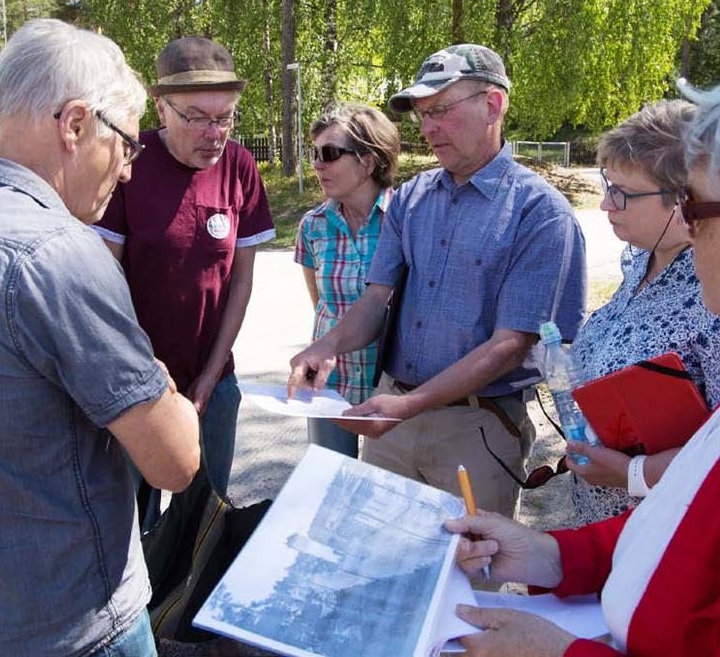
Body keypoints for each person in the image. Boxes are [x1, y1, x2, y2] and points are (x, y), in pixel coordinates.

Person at [448, 60, 720, 655]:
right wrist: (552, 553)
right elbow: (689, 519)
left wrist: (559, 653)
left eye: (697, 209)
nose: (689, 232)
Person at [0, 19, 200, 655]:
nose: (130, 170)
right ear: (76, 125)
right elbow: (176, 461)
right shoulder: (59, 253)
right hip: (80, 627)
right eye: (128, 144)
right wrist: (157, 382)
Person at [288, 44, 586, 518]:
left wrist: (407, 407)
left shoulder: (540, 212)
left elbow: (510, 344)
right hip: (396, 419)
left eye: (441, 110)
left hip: (477, 427)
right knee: (388, 568)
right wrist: (326, 347)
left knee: (468, 581)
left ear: (493, 105)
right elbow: (375, 301)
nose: (427, 129)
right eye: (423, 116)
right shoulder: (410, 199)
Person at [95, 37, 275, 498]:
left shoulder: (240, 165)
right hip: (136, 387)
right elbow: (104, 283)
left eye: (224, 118)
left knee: (206, 519)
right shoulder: (128, 165)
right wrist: (149, 378)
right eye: (197, 118)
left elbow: (241, 280)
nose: (214, 133)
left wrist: (211, 377)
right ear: (162, 109)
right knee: (134, 523)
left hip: (214, 382)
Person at [562, 100, 720, 525]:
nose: (606, 204)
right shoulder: (639, 264)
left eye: (622, 194)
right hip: (603, 532)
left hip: (667, 538)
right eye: (607, 184)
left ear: (685, 201)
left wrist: (633, 474)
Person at [294, 104, 401, 457]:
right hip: (328, 384)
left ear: (368, 162)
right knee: (331, 484)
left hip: (389, 387)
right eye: (315, 154)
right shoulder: (312, 226)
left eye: (329, 153)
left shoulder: (406, 219)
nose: (317, 164)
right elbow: (320, 304)